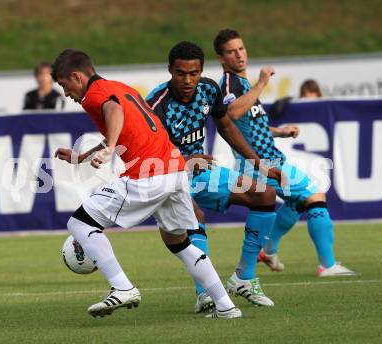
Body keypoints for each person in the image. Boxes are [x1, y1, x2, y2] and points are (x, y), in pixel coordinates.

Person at [51, 49, 241, 319]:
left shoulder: (94, 95)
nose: (66, 92)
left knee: (79, 224)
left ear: (76, 76)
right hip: (174, 171)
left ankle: (122, 287)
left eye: (64, 85)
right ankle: (226, 306)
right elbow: (124, 122)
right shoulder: (119, 87)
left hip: (147, 174)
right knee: (180, 243)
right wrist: (85, 156)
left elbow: (113, 111)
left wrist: (111, 147)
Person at [146, 41, 282, 312]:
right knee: (194, 217)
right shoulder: (156, 104)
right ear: (170, 71)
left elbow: (226, 126)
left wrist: (259, 164)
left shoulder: (209, 89)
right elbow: (149, 153)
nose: (188, 80)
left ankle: (244, 278)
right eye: (181, 73)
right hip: (167, 175)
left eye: (193, 73)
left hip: (202, 172)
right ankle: (205, 294)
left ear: (201, 71)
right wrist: (185, 161)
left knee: (265, 194)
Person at [213, 28, 356, 277]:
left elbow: (249, 125)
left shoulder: (242, 84)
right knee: (314, 195)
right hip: (260, 163)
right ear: (221, 58)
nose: (239, 55)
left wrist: (280, 131)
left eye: (241, 49)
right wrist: (261, 83)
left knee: (295, 203)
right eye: (231, 52)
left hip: (268, 159)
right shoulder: (229, 83)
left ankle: (269, 250)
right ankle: (328, 265)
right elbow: (231, 115)